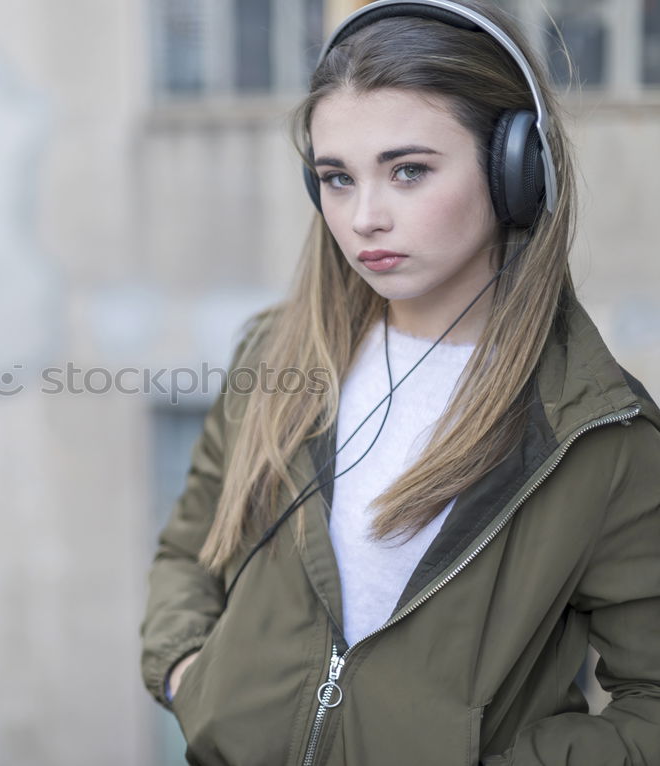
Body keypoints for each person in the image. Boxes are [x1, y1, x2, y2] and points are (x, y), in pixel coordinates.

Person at [139, 1, 660, 764]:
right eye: (337, 179)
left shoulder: (596, 434)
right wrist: (193, 675)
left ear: (513, 169)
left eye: (408, 170)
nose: (364, 218)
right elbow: (190, 549)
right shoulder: (276, 356)